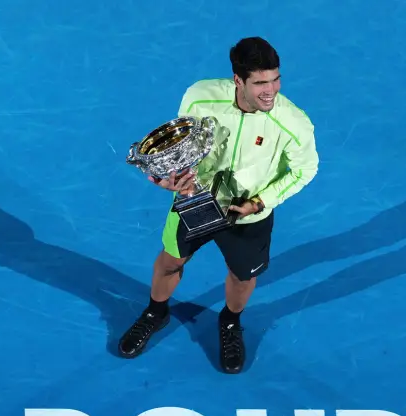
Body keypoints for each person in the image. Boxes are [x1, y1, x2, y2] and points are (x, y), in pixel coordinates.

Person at [118, 36, 319, 373]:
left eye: (275, 79)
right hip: (194, 199)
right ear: (238, 80)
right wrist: (170, 177)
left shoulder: (293, 123)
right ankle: (156, 311)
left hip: (248, 214)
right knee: (170, 262)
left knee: (241, 277)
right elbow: (184, 147)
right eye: (260, 83)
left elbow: (305, 169)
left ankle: (229, 321)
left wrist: (260, 202)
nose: (270, 91)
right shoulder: (200, 96)